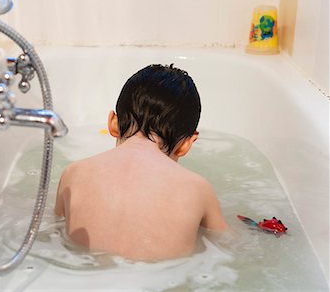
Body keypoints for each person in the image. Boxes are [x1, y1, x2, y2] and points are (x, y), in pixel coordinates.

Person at [54, 64, 228, 260]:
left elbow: (55, 230)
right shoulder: (198, 189)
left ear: (113, 123)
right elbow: (228, 243)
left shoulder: (74, 172)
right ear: (186, 144)